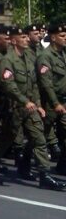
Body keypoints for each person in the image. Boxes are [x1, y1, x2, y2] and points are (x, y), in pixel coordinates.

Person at [0, 26, 65, 190]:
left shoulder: (28, 58)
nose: (27, 39)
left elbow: (34, 84)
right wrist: (24, 101)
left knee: (39, 139)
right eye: (23, 37)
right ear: (14, 41)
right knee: (6, 140)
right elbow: (9, 86)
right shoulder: (7, 61)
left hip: (30, 107)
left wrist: (38, 105)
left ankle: (44, 175)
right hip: (14, 108)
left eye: (27, 37)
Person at [35, 22, 66, 175]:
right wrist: (55, 103)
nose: (65, 38)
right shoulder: (44, 57)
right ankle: (25, 161)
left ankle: (62, 165)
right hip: (50, 103)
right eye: (62, 35)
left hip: (64, 102)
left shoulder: (63, 55)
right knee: (40, 134)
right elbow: (47, 84)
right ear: (53, 38)